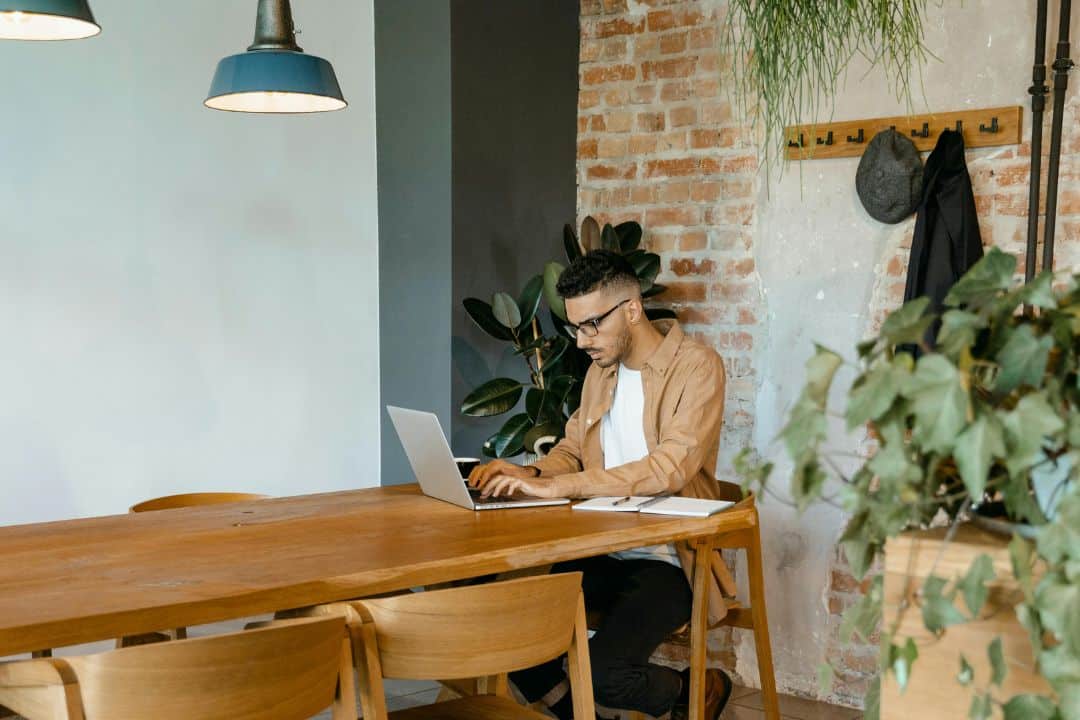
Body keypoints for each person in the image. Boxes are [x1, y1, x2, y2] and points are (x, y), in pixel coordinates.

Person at [469, 249, 733, 720]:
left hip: (670, 561)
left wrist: (563, 488)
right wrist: (530, 474)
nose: (582, 340)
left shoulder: (697, 368)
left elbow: (670, 467)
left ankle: (693, 690)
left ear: (631, 309)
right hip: (603, 548)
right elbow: (573, 450)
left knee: (606, 672)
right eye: (575, 327)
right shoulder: (599, 373)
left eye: (592, 325)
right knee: (511, 636)